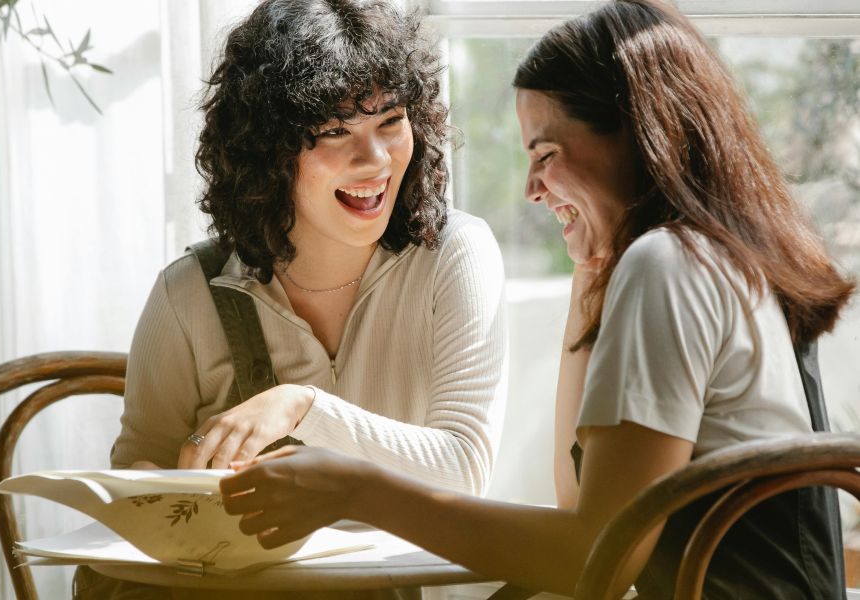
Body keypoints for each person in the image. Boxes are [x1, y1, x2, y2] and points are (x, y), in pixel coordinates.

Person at [219, 1, 856, 598]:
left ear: (640, 138)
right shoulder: (709, 257)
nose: (529, 188)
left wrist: (356, 489)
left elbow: (596, 559)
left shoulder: (669, 266)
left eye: (545, 154)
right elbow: (578, 502)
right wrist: (591, 270)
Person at [75, 0, 508, 598]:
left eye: (391, 120)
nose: (377, 160)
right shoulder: (188, 290)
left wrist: (303, 408)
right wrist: (167, 486)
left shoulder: (455, 254)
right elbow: (139, 466)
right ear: (266, 153)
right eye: (335, 131)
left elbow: (464, 474)